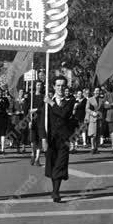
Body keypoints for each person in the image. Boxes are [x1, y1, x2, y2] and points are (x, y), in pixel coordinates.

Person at [44, 75, 74, 203]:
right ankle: (54, 189)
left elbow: (63, 114)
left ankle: (56, 192)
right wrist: (43, 139)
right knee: (52, 164)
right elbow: (42, 122)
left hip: (64, 139)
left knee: (60, 165)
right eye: (58, 85)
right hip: (50, 138)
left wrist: (51, 103)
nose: (60, 88)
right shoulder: (46, 101)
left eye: (63, 85)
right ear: (53, 86)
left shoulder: (70, 101)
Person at [29, 81, 46, 166]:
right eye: (38, 85)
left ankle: (37, 158)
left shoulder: (43, 96)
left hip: (41, 120)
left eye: (40, 85)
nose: (39, 86)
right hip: (33, 120)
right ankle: (33, 153)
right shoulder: (31, 96)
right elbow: (27, 109)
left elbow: (44, 109)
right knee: (33, 140)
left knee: (39, 140)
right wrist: (28, 120)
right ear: (35, 86)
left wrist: (36, 110)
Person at [86, 86, 104, 154]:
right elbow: (87, 109)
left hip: (99, 118)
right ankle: (93, 147)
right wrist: (92, 112)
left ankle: (96, 148)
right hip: (93, 118)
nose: (97, 92)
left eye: (98, 91)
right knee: (93, 134)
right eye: (96, 91)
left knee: (98, 134)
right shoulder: (90, 99)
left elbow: (103, 108)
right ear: (93, 92)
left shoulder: (101, 100)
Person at [72, 88, 87, 153]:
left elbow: (86, 108)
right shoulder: (75, 100)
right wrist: (75, 106)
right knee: (76, 130)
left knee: (83, 130)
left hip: (83, 117)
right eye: (78, 94)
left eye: (80, 94)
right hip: (76, 117)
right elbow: (73, 109)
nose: (79, 95)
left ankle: (84, 142)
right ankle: (76, 143)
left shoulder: (85, 100)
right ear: (77, 94)